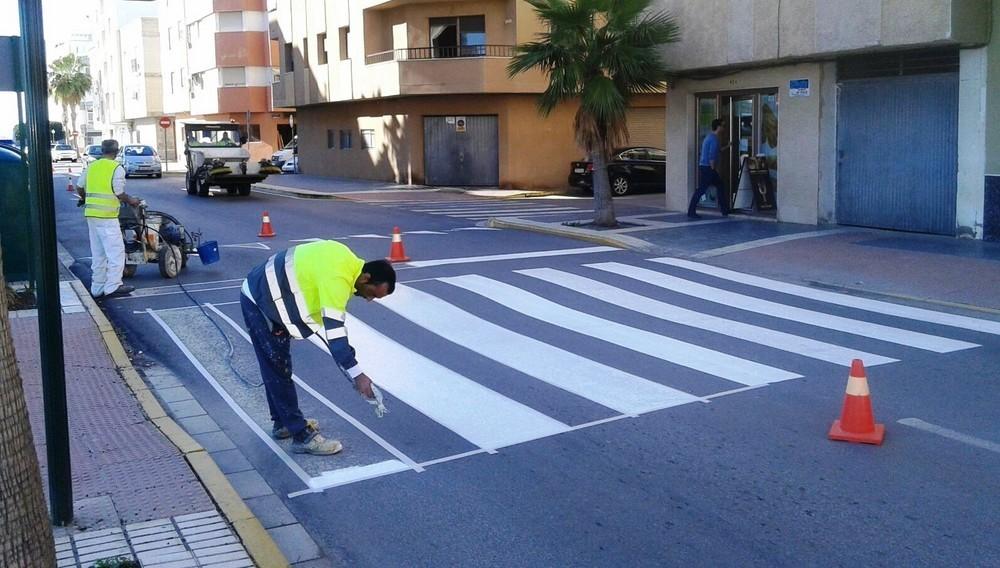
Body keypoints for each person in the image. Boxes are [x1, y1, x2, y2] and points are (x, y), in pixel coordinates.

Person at [240, 240, 396, 455]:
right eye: (372, 293)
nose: (369, 299)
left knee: (279, 366)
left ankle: (283, 423)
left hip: (267, 293)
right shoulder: (338, 280)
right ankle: (302, 437)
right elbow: (336, 337)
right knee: (277, 369)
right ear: (366, 277)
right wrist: (358, 375)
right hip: (260, 302)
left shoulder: (345, 259)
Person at [76, 139, 140, 298]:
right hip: (107, 217)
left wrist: (85, 198)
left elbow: (79, 186)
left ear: (102, 150)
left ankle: (97, 288)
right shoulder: (116, 168)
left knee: (98, 253)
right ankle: (113, 286)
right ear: (117, 151)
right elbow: (119, 192)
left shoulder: (91, 166)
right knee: (116, 252)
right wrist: (132, 200)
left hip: (91, 216)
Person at [688, 118, 732, 219]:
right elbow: (712, 155)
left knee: (718, 185)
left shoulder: (710, 137)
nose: (724, 128)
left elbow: (718, 150)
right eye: (723, 126)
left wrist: (728, 146)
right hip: (708, 168)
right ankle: (691, 211)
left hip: (705, 167)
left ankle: (724, 209)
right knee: (702, 189)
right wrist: (713, 169)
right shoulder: (714, 139)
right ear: (718, 127)